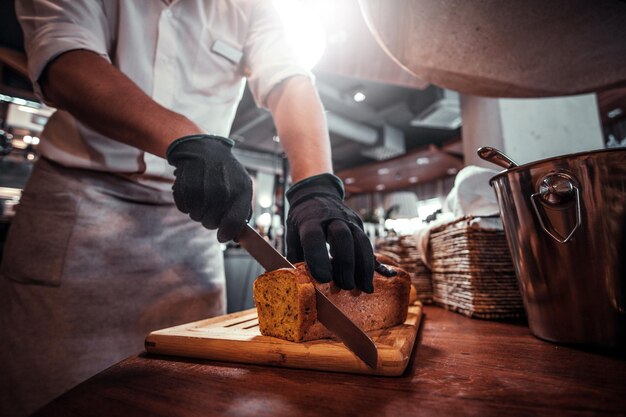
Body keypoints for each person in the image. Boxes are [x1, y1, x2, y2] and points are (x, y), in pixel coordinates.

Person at [0, 1, 390, 416]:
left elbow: (290, 81)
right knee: (52, 397)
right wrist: (185, 138)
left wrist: (316, 186)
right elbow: (64, 59)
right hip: (78, 210)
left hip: (195, 225)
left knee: (190, 396)